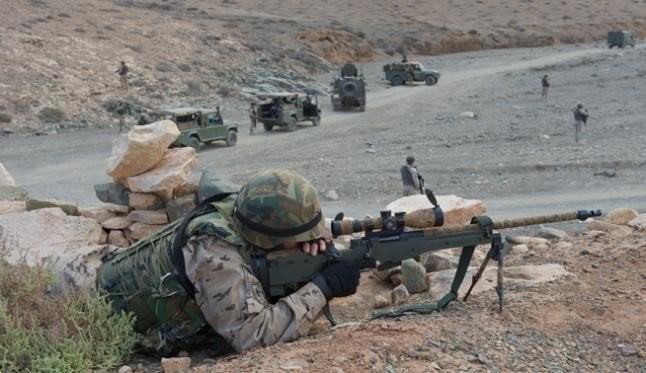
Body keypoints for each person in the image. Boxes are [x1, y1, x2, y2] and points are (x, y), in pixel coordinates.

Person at [90, 169, 361, 355]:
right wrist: (323, 286)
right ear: (270, 237)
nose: (307, 240)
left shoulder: (246, 211)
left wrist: (304, 255)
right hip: (93, 302)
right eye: (299, 237)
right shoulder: (215, 251)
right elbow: (252, 335)